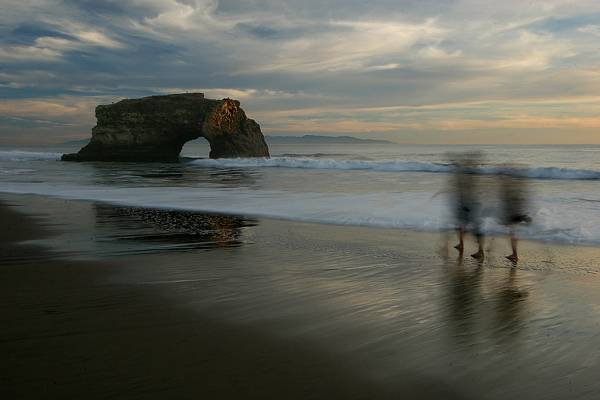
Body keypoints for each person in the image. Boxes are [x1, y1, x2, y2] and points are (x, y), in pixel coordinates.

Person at [451, 153, 485, 259]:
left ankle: (481, 251)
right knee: (461, 226)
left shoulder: (467, 180)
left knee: (475, 229)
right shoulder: (465, 180)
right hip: (467, 205)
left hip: (471, 206)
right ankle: (461, 244)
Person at [499, 171, 531, 262]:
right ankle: (514, 254)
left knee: (513, 236)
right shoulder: (517, 191)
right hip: (517, 215)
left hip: (514, 216)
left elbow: (512, 205)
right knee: (513, 235)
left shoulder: (511, 192)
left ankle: (515, 255)